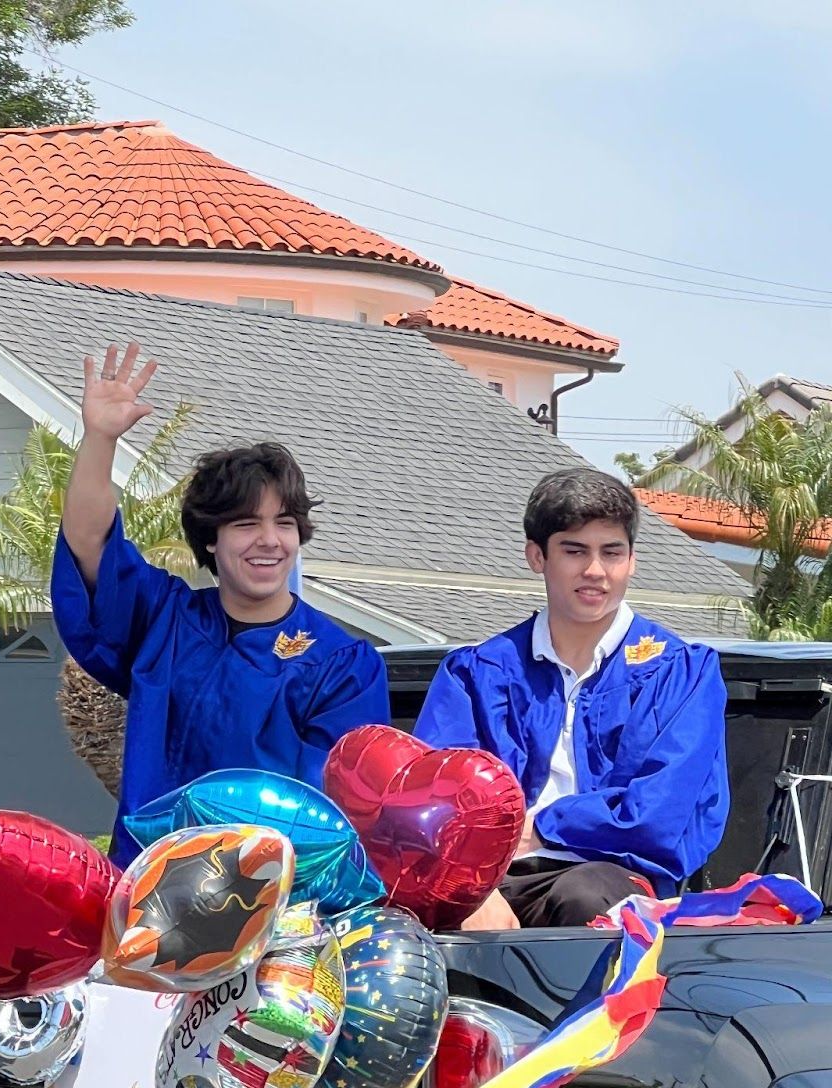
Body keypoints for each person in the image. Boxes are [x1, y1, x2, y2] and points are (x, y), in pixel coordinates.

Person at [51, 342, 391, 867]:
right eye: (246, 524)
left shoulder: (342, 664)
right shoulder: (162, 620)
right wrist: (100, 439)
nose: (269, 540)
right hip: (149, 888)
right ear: (211, 538)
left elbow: (340, 808)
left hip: (282, 900)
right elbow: (89, 543)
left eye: (284, 524)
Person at [414, 467, 729, 929]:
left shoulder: (683, 673)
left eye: (611, 552)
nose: (595, 571)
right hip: (492, 875)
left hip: (613, 876)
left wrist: (545, 826)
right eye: (575, 551)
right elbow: (435, 801)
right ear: (537, 556)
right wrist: (468, 891)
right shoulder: (477, 672)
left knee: (583, 898)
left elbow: (660, 815)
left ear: (632, 560)